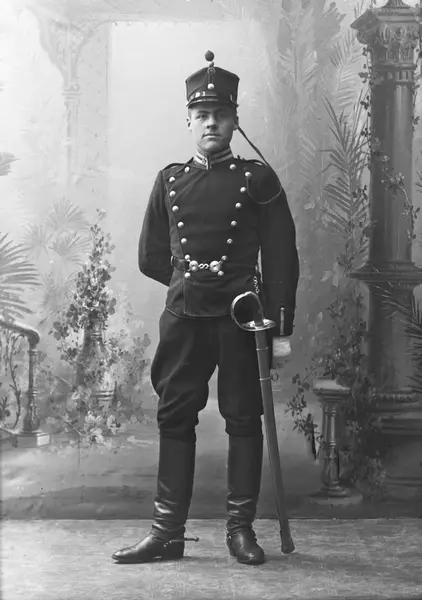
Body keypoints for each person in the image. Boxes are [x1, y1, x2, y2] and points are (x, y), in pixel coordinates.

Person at [112, 50, 299, 566]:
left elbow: (281, 258)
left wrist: (280, 329)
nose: (211, 122)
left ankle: (241, 532)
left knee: (243, 419)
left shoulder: (258, 180)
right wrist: (190, 284)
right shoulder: (169, 180)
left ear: (235, 121)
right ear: (189, 122)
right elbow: (151, 256)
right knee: (174, 417)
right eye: (201, 115)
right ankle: (166, 533)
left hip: (242, 320)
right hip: (184, 319)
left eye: (220, 114)